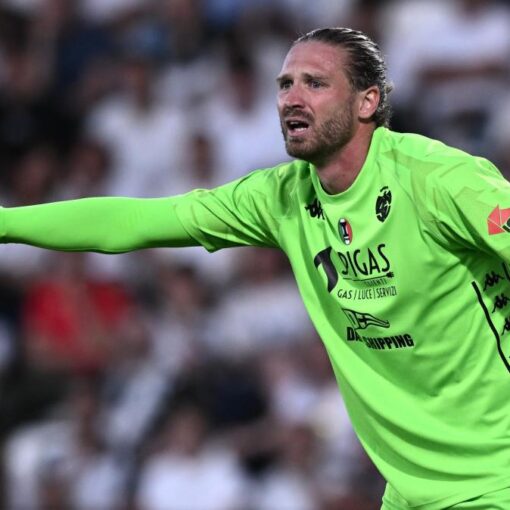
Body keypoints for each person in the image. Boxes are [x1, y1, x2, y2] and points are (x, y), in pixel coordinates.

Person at [2, 26, 510, 510]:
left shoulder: (437, 180)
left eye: (315, 83)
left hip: (494, 481)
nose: (292, 98)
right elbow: (138, 221)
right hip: (410, 492)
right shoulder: (282, 197)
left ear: (367, 101)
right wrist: (6, 223)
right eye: (285, 84)